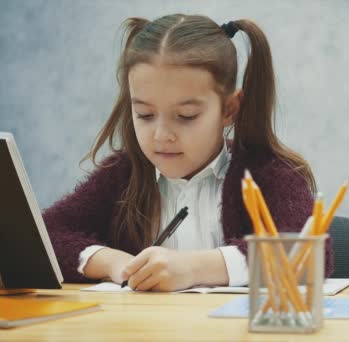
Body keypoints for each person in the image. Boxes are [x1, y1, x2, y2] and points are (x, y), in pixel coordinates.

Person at [42, 14, 333, 291]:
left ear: (230, 109)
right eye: (144, 114)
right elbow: (41, 237)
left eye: (186, 116)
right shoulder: (122, 172)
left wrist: (193, 268)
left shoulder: (269, 172)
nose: (161, 136)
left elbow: (309, 255)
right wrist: (115, 263)